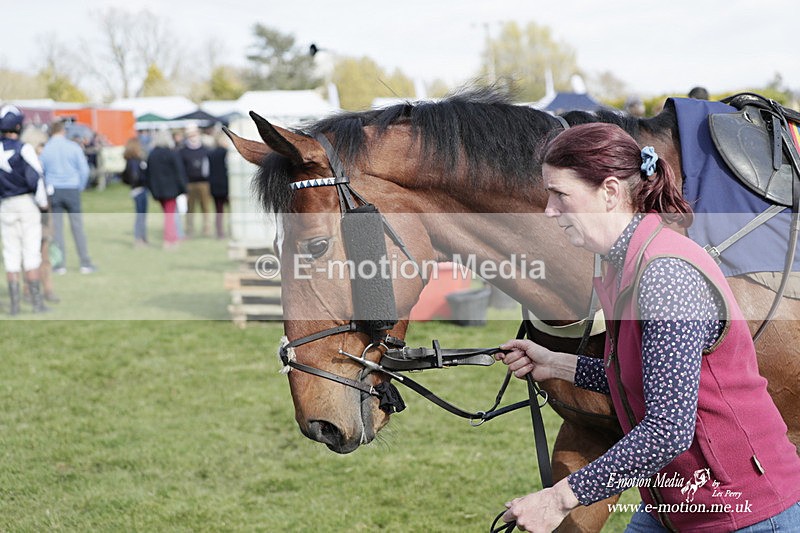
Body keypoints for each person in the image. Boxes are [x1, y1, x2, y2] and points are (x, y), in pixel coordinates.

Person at [497, 123, 800, 532]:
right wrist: (557, 364)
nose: (549, 210)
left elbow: (669, 429)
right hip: (674, 505)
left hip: (743, 512)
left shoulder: (664, 276)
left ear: (609, 192)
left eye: (560, 195)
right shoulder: (620, 263)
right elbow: (642, 375)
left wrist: (558, 499)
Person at [0, 105, 50, 313]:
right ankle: (37, 304)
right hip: (25, 204)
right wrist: (43, 203)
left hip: (5, 205)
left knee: (10, 254)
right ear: (18, 126)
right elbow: (36, 179)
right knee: (31, 252)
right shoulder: (24, 148)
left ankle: (14, 305)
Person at [39, 119, 97, 274]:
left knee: (56, 229)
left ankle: (59, 265)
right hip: (72, 189)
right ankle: (85, 263)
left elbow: (41, 172)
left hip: (54, 191)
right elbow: (84, 170)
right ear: (63, 131)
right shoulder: (73, 147)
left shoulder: (46, 149)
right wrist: (81, 186)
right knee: (77, 227)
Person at [146, 130, 186, 249]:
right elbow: (180, 172)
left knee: (168, 214)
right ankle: (169, 239)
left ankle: (173, 237)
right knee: (170, 215)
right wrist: (184, 188)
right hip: (171, 190)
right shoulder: (172, 153)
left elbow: (149, 174)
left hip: (158, 190)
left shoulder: (152, 155)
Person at [178, 124, 212, 237]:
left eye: (195, 134)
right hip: (189, 184)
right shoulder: (183, 151)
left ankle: (207, 229)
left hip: (204, 183)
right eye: (190, 134)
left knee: (206, 208)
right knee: (190, 209)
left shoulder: (205, 149)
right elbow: (181, 169)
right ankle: (189, 230)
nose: (193, 136)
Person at [122, 137, 149, 246]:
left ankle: (142, 237)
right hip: (139, 189)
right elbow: (135, 177)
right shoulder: (134, 161)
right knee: (140, 215)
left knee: (142, 215)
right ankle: (139, 239)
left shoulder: (132, 160)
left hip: (137, 189)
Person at [208, 132, 229, 239]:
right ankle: (231, 230)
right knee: (231, 209)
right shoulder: (226, 153)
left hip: (214, 185)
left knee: (218, 210)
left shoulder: (210, 153)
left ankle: (219, 232)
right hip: (226, 185)